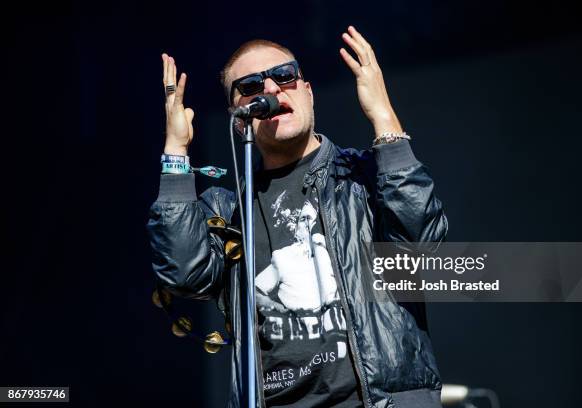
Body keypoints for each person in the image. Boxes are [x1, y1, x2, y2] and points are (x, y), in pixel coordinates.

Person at [147, 25, 448, 408]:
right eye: (252, 87)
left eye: (284, 76)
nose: (271, 90)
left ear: (307, 90)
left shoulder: (367, 177)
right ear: (240, 118)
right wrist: (175, 150)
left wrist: (385, 120)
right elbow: (184, 274)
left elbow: (423, 247)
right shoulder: (227, 210)